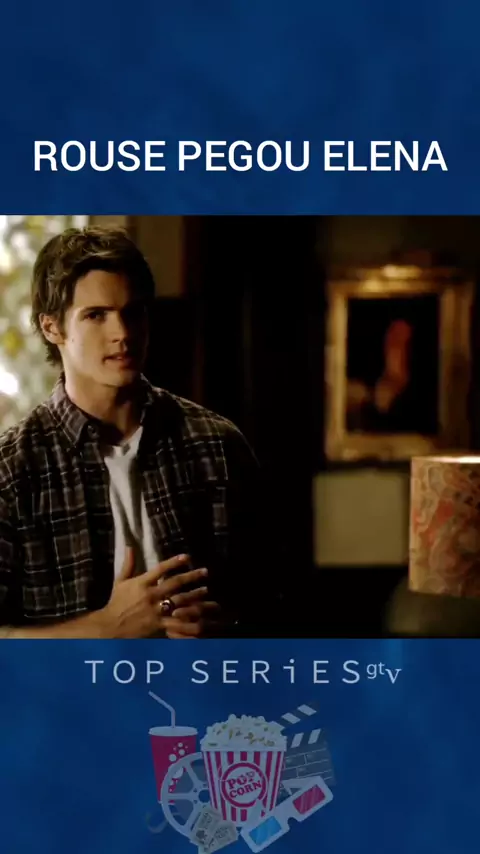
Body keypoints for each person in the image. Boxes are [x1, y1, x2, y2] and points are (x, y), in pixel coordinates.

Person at [0, 226, 279, 638]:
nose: (122, 334)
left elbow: (274, 603)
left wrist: (224, 627)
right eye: (96, 315)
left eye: (133, 312)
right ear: (52, 328)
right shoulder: (13, 470)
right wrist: (105, 628)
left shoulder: (215, 446)